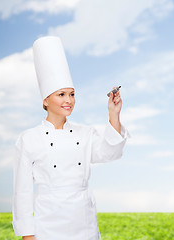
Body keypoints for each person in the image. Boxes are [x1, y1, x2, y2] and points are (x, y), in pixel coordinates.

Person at [12, 36, 129, 240]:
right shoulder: (29, 139)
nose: (69, 100)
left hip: (84, 223)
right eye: (61, 94)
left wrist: (114, 114)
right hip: (47, 225)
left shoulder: (85, 133)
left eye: (72, 94)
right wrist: (27, 235)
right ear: (45, 100)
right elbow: (21, 192)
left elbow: (111, 153)